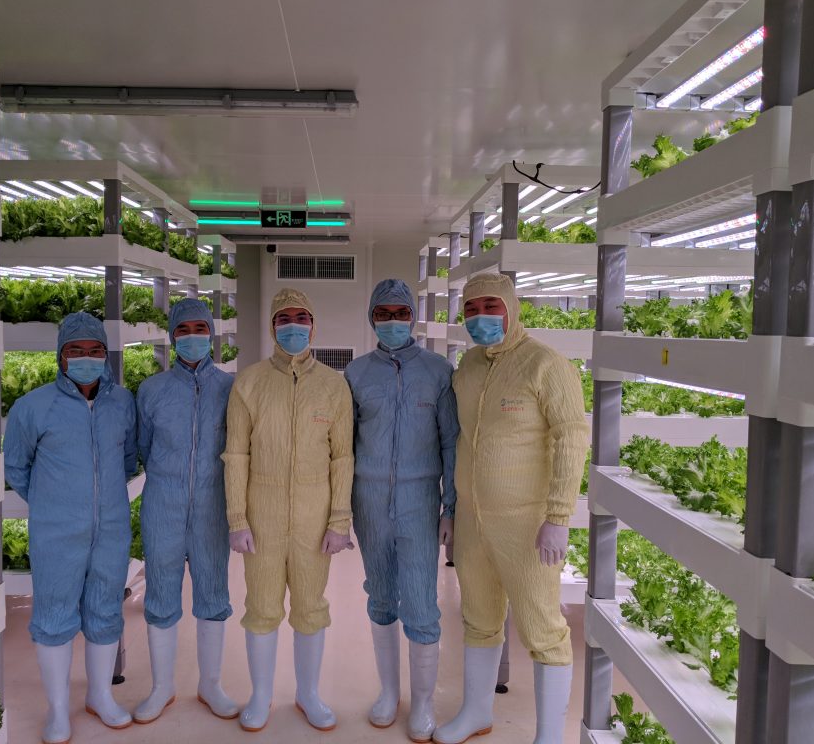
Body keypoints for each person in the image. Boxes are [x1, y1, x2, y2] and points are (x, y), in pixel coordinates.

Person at [433, 273, 589, 744]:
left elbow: (571, 436)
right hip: (474, 525)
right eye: (472, 309)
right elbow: (462, 443)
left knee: (543, 627)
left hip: (527, 524)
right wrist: (453, 508)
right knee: (478, 617)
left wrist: (558, 517)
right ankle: (476, 713)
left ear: (511, 308)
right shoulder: (468, 369)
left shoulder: (546, 364)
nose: (481, 317)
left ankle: (548, 737)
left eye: (491, 306)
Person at [223, 287, 355, 733]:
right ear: (273, 326)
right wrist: (237, 519)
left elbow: (343, 458)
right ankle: (260, 696)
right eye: (284, 318)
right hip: (261, 515)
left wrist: (339, 520)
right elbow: (236, 455)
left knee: (311, 605)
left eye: (302, 317)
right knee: (260, 606)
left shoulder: (335, 386)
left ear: (313, 325)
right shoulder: (250, 382)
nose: (293, 325)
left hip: (314, 517)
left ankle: (308, 693)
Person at [4, 312, 138, 744]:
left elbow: (127, 460)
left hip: (112, 529)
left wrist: (101, 504)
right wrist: (54, 504)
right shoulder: (33, 407)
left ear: (106, 355)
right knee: (54, 616)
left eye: (95, 351)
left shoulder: (122, 403)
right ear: (60, 356)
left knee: (104, 611)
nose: (86, 358)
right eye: (75, 351)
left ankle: (100, 695)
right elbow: (17, 468)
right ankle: (58, 710)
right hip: (56, 532)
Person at [343, 279, 459, 742]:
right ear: (372, 318)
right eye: (383, 314)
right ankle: (389, 692)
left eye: (400, 313)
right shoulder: (356, 374)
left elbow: (451, 442)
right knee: (380, 594)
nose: (392, 322)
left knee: (421, 600)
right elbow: (343, 449)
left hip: (418, 500)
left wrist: (450, 506)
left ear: (413, 315)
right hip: (368, 500)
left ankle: (424, 703)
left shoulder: (437, 371)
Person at [132, 298, 238, 724]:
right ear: (172, 336)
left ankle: (210, 684)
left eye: (200, 328)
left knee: (214, 595)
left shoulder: (231, 388)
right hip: (163, 506)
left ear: (212, 333)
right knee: (160, 594)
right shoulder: (152, 391)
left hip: (215, 506)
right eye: (183, 329)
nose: (192, 336)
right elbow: (141, 448)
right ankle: (162, 688)